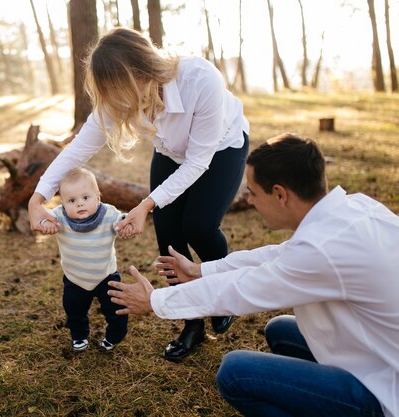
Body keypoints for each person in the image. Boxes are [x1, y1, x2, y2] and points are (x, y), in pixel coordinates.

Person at [107, 134, 399, 417]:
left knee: (235, 373)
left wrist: (155, 300)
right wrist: (201, 270)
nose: (249, 201)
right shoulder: (354, 208)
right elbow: (277, 255)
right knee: (280, 330)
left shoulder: (321, 251)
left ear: (280, 194)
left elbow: (240, 290)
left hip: (385, 391)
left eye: (253, 192)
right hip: (379, 350)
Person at [28, 27, 250, 362]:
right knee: (170, 237)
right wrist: (37, 197)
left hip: (220, 149)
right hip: (171, 153)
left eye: (120, 91)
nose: (117, 103)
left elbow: (198, 161)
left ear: (142, 74)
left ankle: (220, 293)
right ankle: (191, 324)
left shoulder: (201, 79)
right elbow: (76, 151)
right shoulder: (117, 99)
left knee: (199, 226)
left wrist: (146, 203)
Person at [38, 167, 128, 351]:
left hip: (106, 275)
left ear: (98, 197)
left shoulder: (108, 214)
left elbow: (121, 220)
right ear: (62, 203)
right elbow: (43, 218)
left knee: (115, 309)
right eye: (71, 200)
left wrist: (126, 223)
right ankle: (79, 335)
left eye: (85, 198)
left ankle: (114, 335)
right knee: (74, 311)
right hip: (75, 278)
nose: (79, 204)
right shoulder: (59, 217)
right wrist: (45, 223)